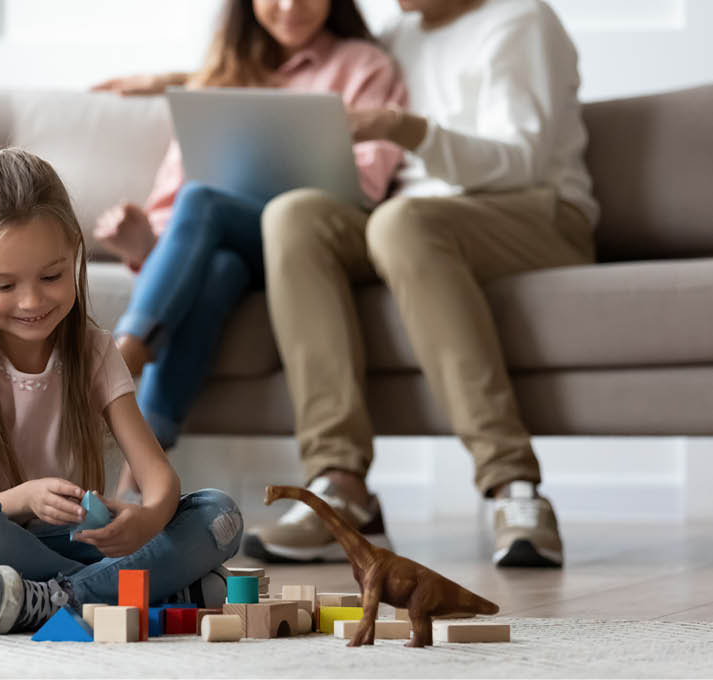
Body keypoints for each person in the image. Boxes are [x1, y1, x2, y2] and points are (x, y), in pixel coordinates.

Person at [250, 0, 597, 567]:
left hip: (536, 213)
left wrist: (401, 128)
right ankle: (339, 484)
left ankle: (514, 486)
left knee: (402, 222)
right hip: (414, 222)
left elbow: (522, 162)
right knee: (294, 215)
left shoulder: (520, 19)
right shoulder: (397, 35)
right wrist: (169, 83)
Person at [0, 146, 243, 635]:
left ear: (75, 252)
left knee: (218, 514)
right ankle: (143, 590)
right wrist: (27, 497)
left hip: (46, 549)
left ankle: (59, 599)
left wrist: (148, 517)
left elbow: (159, 478)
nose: (32, 301)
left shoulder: (94, 351)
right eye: (4, 286)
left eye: (51, 276)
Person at [91, 0, 407, 479]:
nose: (290, 6)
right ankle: (141, 476)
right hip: (232, 251)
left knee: (204, 202)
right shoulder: (221, 78)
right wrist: (144, 239)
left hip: (316, 241)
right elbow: (170, 200)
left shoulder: (364, 66)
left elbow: (366, 182)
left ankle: (121, 359)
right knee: (219, 268)